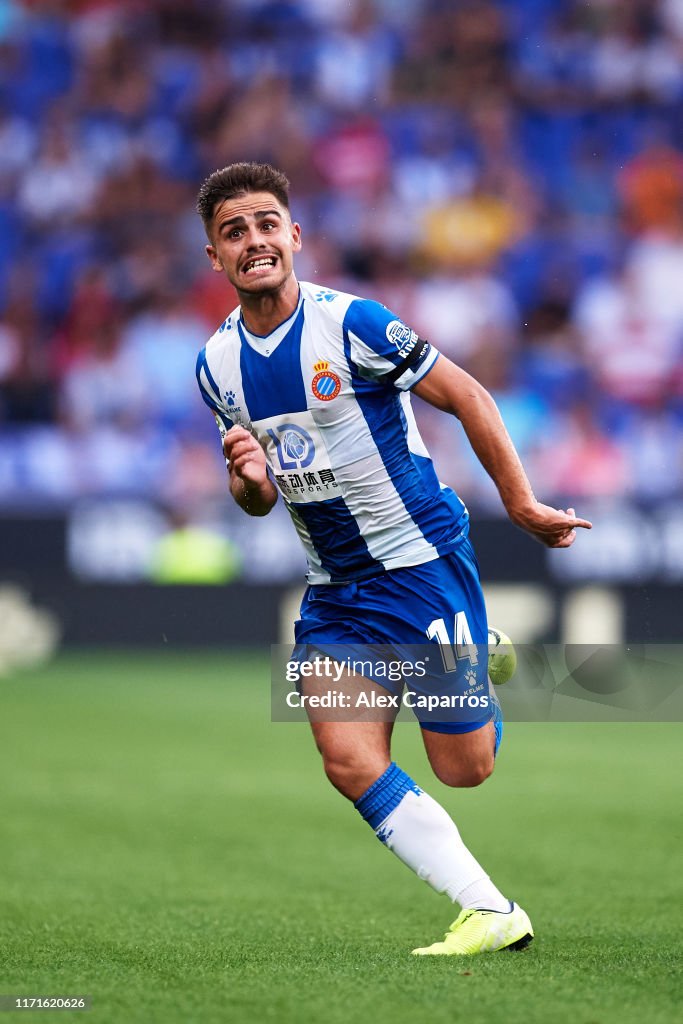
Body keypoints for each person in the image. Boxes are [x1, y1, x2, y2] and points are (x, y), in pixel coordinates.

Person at [195, 162, 591, 956]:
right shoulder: (216, 368)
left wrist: (519, 506)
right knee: (346, 759)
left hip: (417, 568)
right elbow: (260, 499)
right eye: (233, 231)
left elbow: (469, 396)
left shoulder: (354, 324)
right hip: (334, 592)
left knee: (463, 770)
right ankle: (489, 910)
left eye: (266, 223)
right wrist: (245, 483)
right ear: (215, 256)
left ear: (294, 236)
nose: (254, 240)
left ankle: (474, 658)